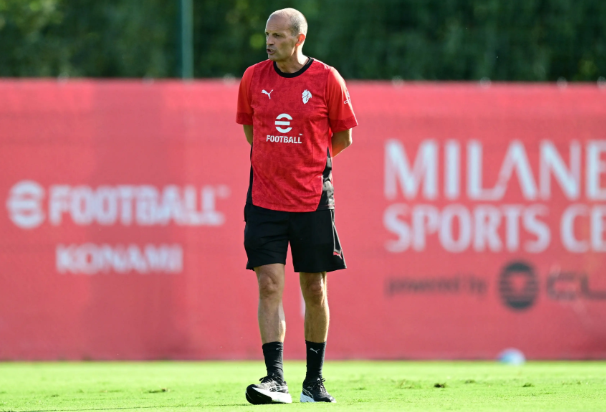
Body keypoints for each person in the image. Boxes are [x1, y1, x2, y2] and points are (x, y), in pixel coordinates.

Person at [236, 7, 358, 405]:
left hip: (312, 200)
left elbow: (343, 138)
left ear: (299, 39)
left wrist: (307, 164)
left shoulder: (327, 78)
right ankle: (275, 380)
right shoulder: (253, 78)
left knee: (314, 289)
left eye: (278, 36)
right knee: (269, 284)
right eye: (267, 35)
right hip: (264, 200)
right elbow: (252, 132)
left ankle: (314, 382)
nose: (269, 42)